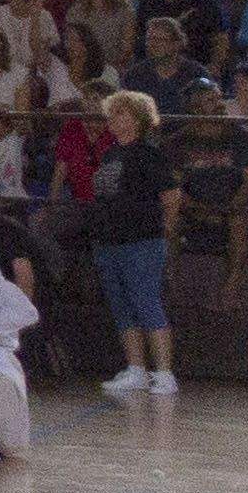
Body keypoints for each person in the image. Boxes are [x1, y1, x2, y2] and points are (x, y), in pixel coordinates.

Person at [87, 85, 179, 396]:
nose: (112, 119)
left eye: (120, 113)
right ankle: (136, 368)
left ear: (137, 119)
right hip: (109, 240)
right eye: (111, 114)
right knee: (121, 305)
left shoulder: (149, 154)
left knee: (146, 301)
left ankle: (164, 372)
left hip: (141, 240)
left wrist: (165, 230)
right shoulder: (110, 154)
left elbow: (171, 195)